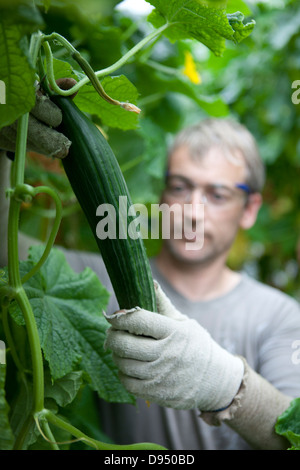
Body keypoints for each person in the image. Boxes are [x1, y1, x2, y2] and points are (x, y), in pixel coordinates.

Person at [0, 96, 299, 450]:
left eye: (217, 194)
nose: (193, 212)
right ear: (161, 193)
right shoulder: (95, 280)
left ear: (249, 209)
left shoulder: (280, 316)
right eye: (180, 187)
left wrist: (225, 383)